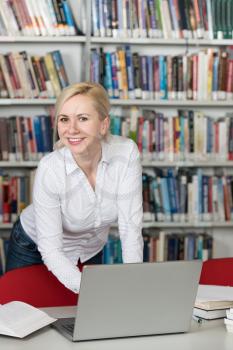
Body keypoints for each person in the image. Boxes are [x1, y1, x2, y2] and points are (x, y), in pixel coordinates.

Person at [5, 82, 143, 293]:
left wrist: (135, 284)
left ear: (103, 124)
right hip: (32, 246)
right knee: (21, 313)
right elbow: (51, 250)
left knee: (86, 317)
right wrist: (92, 289)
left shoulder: (126, 153)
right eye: (64, 119)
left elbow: (130, 228)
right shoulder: (50, 168)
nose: (71, 129)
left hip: (89, 249)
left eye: (83, 119)